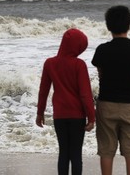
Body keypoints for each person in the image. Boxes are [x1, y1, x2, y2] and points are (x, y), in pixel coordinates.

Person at [92, 5, 130, 175]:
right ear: (129, 25)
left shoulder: (102, 49)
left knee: (106, 150)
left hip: (107, 103)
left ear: (108, 26)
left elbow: (100, 73)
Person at [36, 28, 95, 175]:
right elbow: (85, 94)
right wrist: (92, 117)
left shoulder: (50, 63)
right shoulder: (79, 64)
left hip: (60, 116)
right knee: (76, 154)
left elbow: (43, 91)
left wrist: (40, 113)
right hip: (77, 116)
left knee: (63, 153)